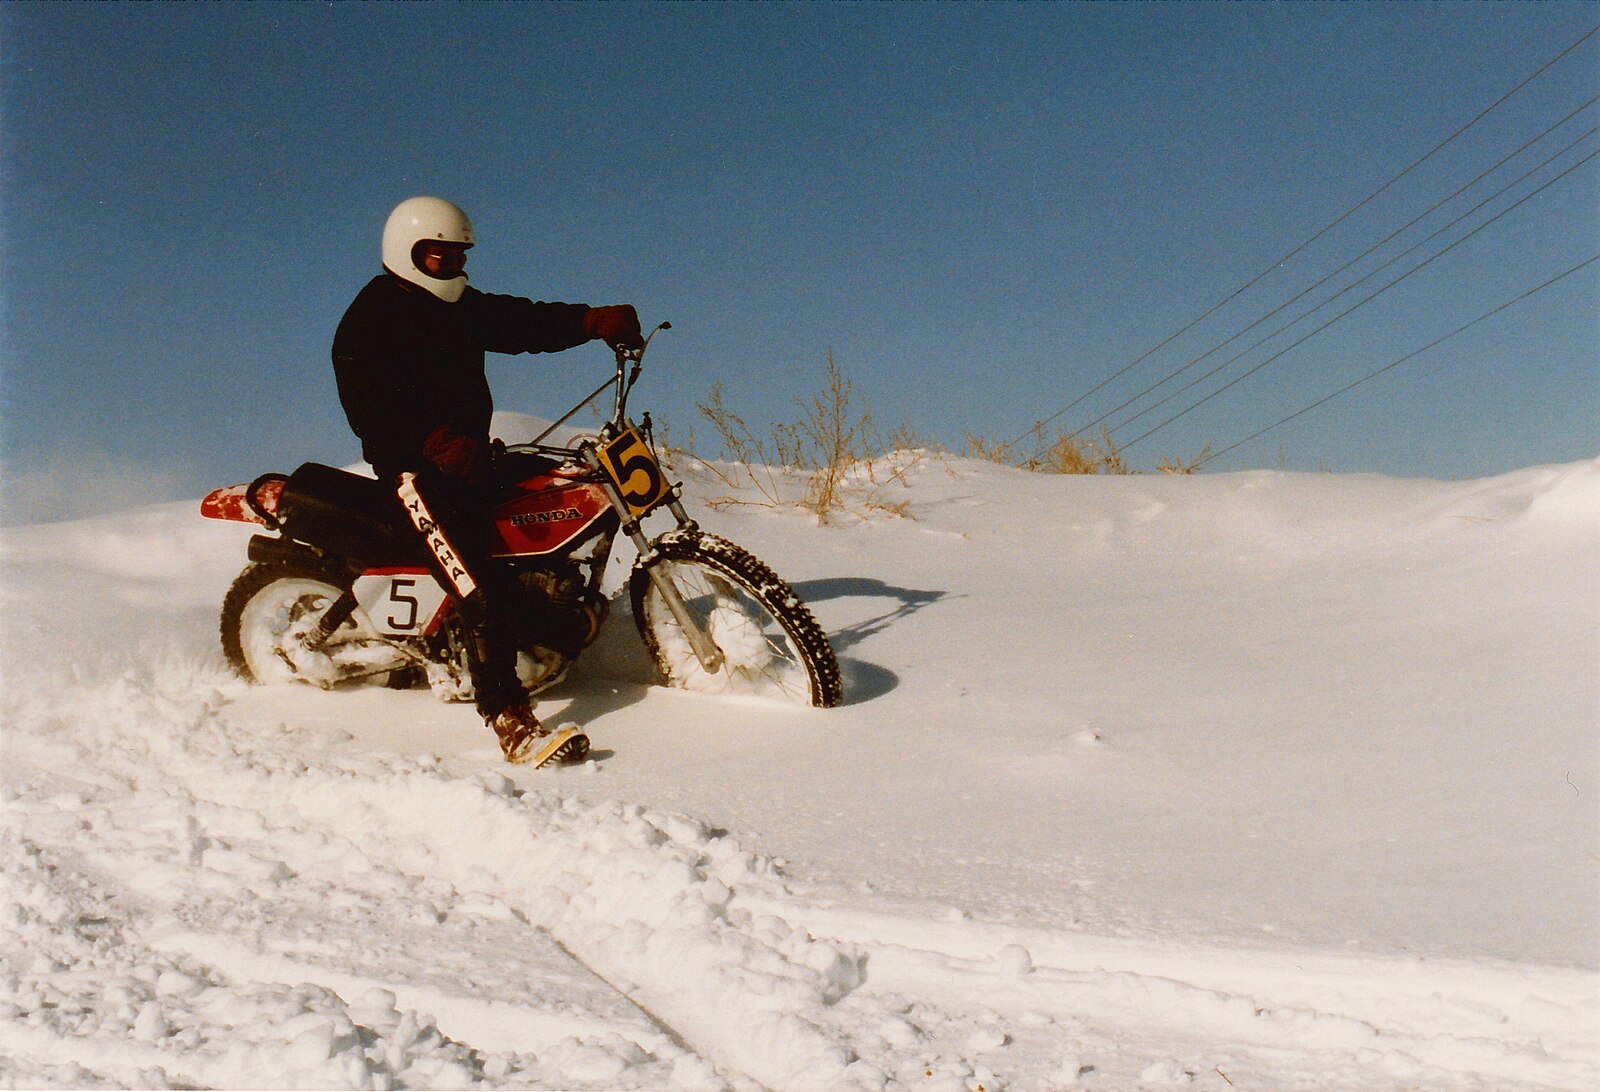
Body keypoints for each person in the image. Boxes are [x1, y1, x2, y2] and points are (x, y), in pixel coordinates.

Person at [332, 195, 642, 766]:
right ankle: (509, 719)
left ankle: (554, 618)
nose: (449, 267)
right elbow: (370, 414)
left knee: (550, 487)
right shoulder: (367, 324)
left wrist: (590, 320)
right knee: (484, 586)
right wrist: (431, 444)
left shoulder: (456, 306)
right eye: (436, 257)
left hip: (470, 457)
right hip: (415, 475)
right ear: (406, 254)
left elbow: (519, 320)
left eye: (457, 257)